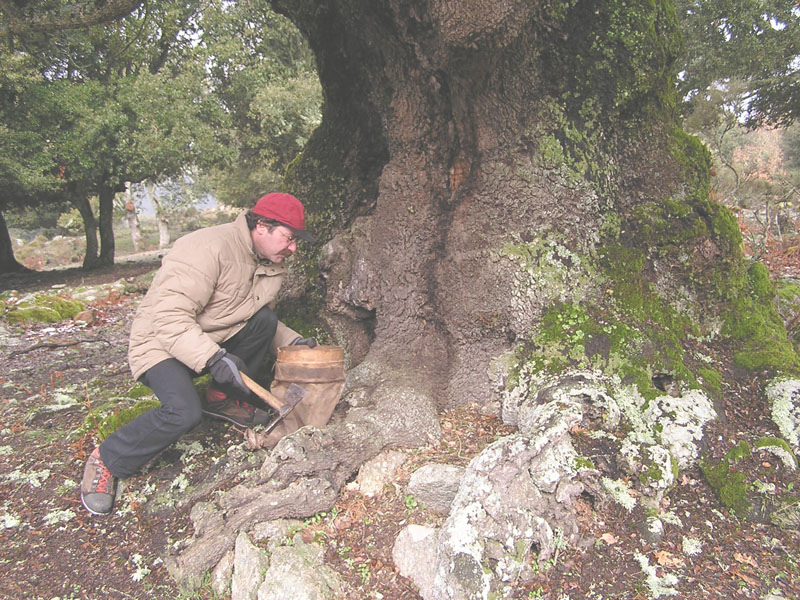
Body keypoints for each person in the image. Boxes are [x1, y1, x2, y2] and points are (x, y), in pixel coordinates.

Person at [80, 192, 317, 516]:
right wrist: (212, 358)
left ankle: (220, 397)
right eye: (289, 239)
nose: (293, 249)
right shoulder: (207, 247)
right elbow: (169, 317)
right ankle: (107, 457)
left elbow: (252, 314)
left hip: (208, 339)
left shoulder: (269, 263)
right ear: (262, 226)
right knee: (183, 413)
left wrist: (295, 342)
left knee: (265, 321)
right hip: (160, 343)